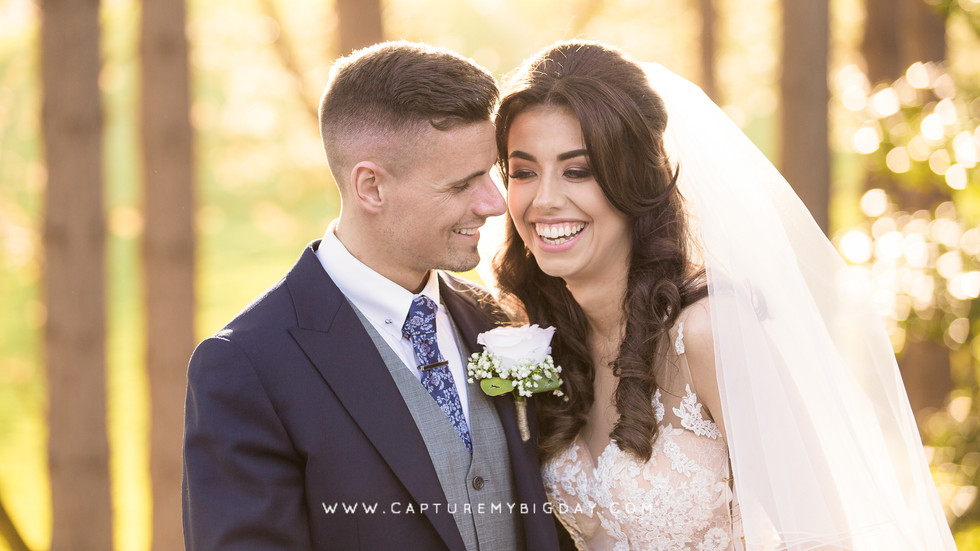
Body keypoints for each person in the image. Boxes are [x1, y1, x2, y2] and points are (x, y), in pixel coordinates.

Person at [489, 40, 957, 550]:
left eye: (577, 171)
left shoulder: (710, 332)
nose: (545, 200)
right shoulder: (537, 343)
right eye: (525, 171)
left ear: (634, 178)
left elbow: (826, 537)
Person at [181, 41, 563, 551]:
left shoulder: (498, 319)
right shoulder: (246, 365)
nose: (495, 203)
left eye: (492, 173)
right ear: (371, 188)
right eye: (462, 185)